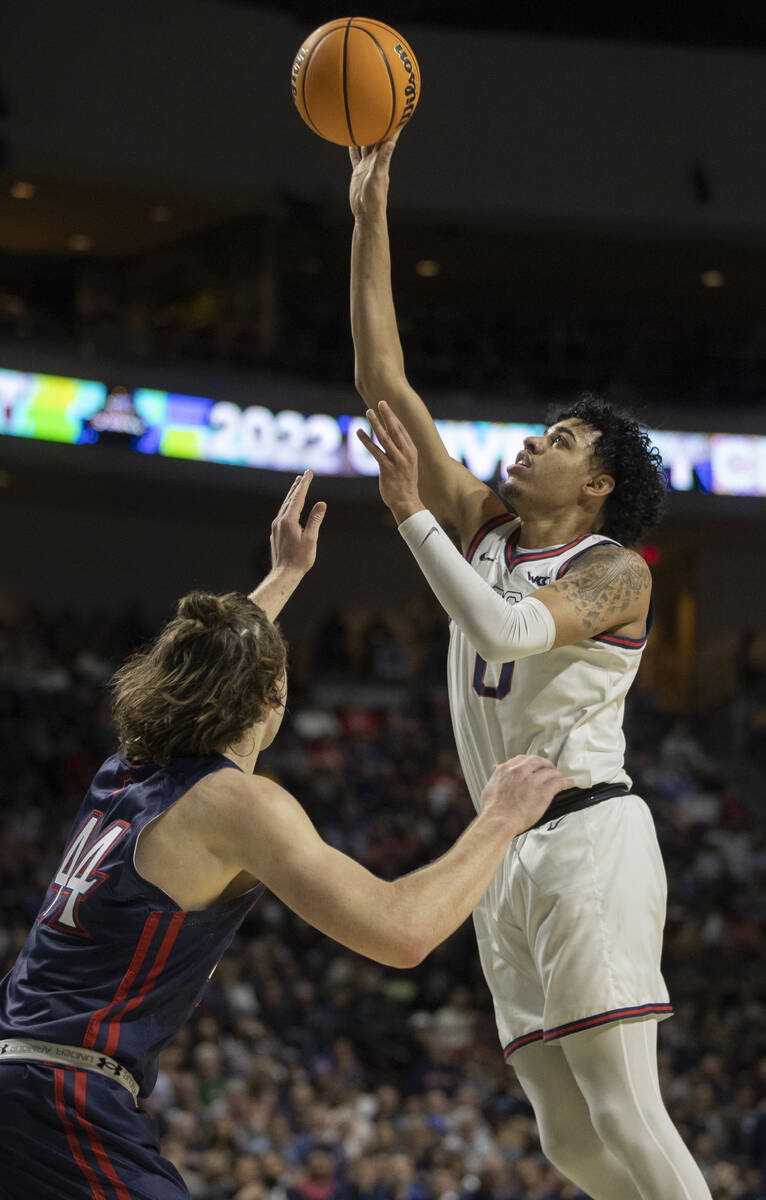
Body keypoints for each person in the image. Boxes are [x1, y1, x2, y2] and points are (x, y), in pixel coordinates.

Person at [0, 471, 570, 1200]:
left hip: (28, 1080)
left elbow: (208, 667)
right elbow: (402, 932)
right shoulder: (237, 804)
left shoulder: (126, 770)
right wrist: (499, 817)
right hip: (62, 1096)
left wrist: (284, 575)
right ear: (276, 695)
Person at [348, 134, 713, 1200]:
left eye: (558, 438)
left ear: (597, 483)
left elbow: (507, 636)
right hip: (499, 849)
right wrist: (369, 213)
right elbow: (382, 380)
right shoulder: (488, 528)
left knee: (624, 1108)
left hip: (590, 835)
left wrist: (413, 518)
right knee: (567, 1136)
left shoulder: (615, 574)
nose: (532, 442)